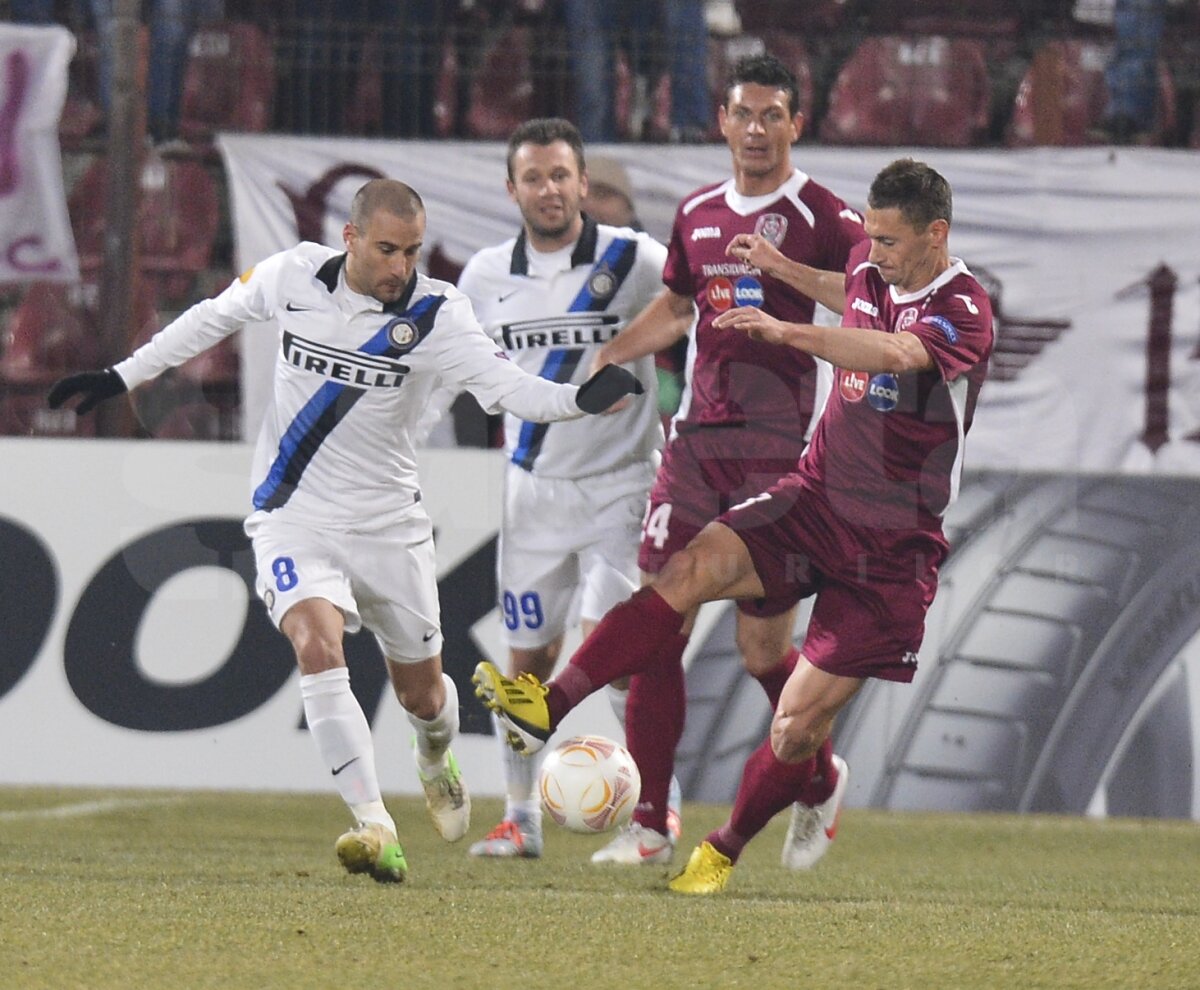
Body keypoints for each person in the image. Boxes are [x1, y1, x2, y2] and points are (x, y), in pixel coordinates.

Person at [46, 178, 645, 883]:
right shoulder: (290, 276)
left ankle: (432, 757)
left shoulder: (437, 312)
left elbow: (505, 388)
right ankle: (374, 825)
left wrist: (578, 400)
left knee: (423, 697)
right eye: (388, 250)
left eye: (413, 251)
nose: (400, 267)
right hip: (291, 513)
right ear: (351, 239)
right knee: (315, 643)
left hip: (389, 525)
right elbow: (209, 318)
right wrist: (123, 377)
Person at [474, 156, 995, 894]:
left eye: (888, 241)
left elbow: (894, 350)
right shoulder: (875, 278)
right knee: (686, 570)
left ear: (936, 234)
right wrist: (785, 267)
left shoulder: (965, 306)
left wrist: (787, 333)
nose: (871, 255)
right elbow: (844, 289)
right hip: (812, 501)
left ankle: (724, 846)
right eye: (869, 238)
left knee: (794, 728)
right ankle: (547, 704)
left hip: (892, 544)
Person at [476, 53, 866, 868]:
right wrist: (612, 352)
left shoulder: (826, 215)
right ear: (721, 123)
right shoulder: (696, 214)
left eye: (772, 116)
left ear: (797, 125)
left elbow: (869, 301)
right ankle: (650, 822)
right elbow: (683, 304)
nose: (755, 130)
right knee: (664, 617)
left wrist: (789, 275)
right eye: (742, 115)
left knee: (763, 654)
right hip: (695, 448)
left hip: (784, 458)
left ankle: (820, 777)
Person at [454, 118, 675, 859]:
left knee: (613, 650)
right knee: (526, 665)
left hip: (624, 484)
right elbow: (465, 371)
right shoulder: (484, 278)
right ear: (511, 188)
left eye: (561, 175)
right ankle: (521, 817)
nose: (549, 189)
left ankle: (659, 812)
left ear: (584, 184)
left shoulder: (638, 260)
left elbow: (696, 311)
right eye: (533, 177)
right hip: (533, 494)